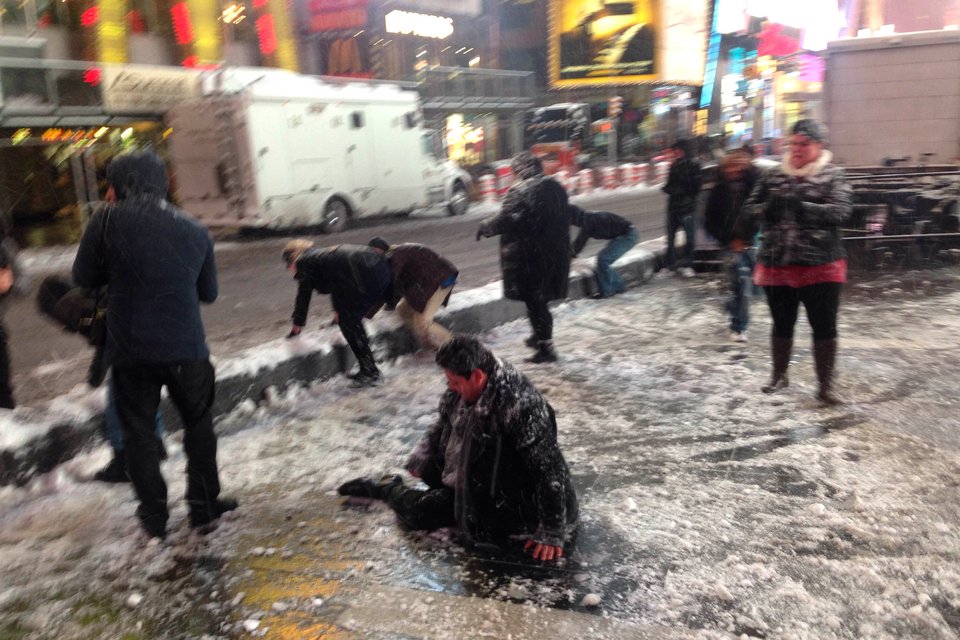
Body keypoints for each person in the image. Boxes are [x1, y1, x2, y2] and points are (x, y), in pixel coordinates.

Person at [72, 149, 236, 539]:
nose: (108, 193)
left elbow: (83, 278)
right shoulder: (194, 229)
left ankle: (154, 517)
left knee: (139, 434)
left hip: (131, 353)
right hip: (187, 350)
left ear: (124, 184)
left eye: (111, 184)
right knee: (199, 427)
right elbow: (209, 293)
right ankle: (203, 506)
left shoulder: (107, 220)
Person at [337, 335, 579, 562]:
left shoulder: (519, 406)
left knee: (421, 512)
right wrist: (422, 456)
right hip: (477, 466)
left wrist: (552, 529)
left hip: (506, 494)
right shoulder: (467, 388)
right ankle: (444, 487)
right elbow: (444, 422)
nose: (450, 387)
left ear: (477, 376)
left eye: (455, 381)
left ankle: (388, 488)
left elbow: (550, 469)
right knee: (430, 469)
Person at [743, 119, 853, 405]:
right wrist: (767, 209)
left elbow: (841, 212)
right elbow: (749, 210)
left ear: (819, 145)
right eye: (793, 143)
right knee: (782, 323)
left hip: (821, 265)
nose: (798, 148)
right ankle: (779, 375)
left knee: (824, 326)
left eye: (805, 143)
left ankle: (825, 386)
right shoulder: (772, 175)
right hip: (777, 263)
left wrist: (802, 207)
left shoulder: (833, 175)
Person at [36, 275, 166, 482]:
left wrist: (95, 376)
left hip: (133, 340)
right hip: (152, 331)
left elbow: (104, 333)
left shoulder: (71, 306)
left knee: (117, 403)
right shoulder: (86, 294)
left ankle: (124, 463)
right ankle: (155, 447)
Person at [476, 152, 571, 363]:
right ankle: (539, 336)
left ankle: (546, 347)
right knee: (539, 300)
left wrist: (486, 227)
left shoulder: (520, 190)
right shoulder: (556, 187)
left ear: (520, 170)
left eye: (514, 171)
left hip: (530, 258)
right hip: (555, 256)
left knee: (535, 302)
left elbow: (507, 219)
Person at [284, 240, 391, 387]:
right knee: (350, 321)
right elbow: (338, 285)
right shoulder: (320, 256)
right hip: (377, 270)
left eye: (287, 265)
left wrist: (296, 328)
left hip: (365, 275)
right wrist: (338, 315)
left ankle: (370, 373)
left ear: (292, 258)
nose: (288, 269)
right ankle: (368, 369)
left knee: (349, 323)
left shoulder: (303, 262)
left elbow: (303, 296)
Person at [703, 147, 760, 342]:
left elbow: (759, 213)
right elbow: (709, 221)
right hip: (729, 245)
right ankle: (739, 326)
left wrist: (748, 236)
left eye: (739, 165)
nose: (735, 170)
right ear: (725, 168)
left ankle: (730, 305)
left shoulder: (752, 186)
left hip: (751, 242)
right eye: (731, 165)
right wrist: (727, 240)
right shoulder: (719, 190)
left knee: (750, 287)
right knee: (742, 283)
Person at [367, 237, 458, 351]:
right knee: (403, 310)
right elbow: (396, 288)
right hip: (429, 283)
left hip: (441, 280)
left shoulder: (397, 257)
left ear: (379, 251)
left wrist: (368, 313)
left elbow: (390, 286)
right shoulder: (396, 256)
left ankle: (459, 348)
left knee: (424, 322)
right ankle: (428, 344)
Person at [568, 205, 639, 298]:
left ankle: (617, 289)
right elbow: (580, 241)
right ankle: (608, 290)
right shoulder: (588, 218)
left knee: (603, 259)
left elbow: (580, 241)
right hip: (624, 234)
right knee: (602, 259)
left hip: (628, 235)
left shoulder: (588, 221)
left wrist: (571, 256)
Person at [662, 138, 702, 277]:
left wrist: (680, 190)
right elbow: (670, 184)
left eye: (678, 149)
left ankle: (687, 265)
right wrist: (668, 189)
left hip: (687, 208)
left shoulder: (694, 165)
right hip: (673, 207)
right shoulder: (674, 165)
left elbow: (696, 187)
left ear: (685, 150)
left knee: (689, 238)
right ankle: (670, 265)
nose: (676, 152)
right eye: (675, 150)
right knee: (670, 238)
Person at [0, 220, 25, 409]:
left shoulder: (4, 247)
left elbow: (24, 284)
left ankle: (6, 416)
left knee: (3, 391)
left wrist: (10, 286)